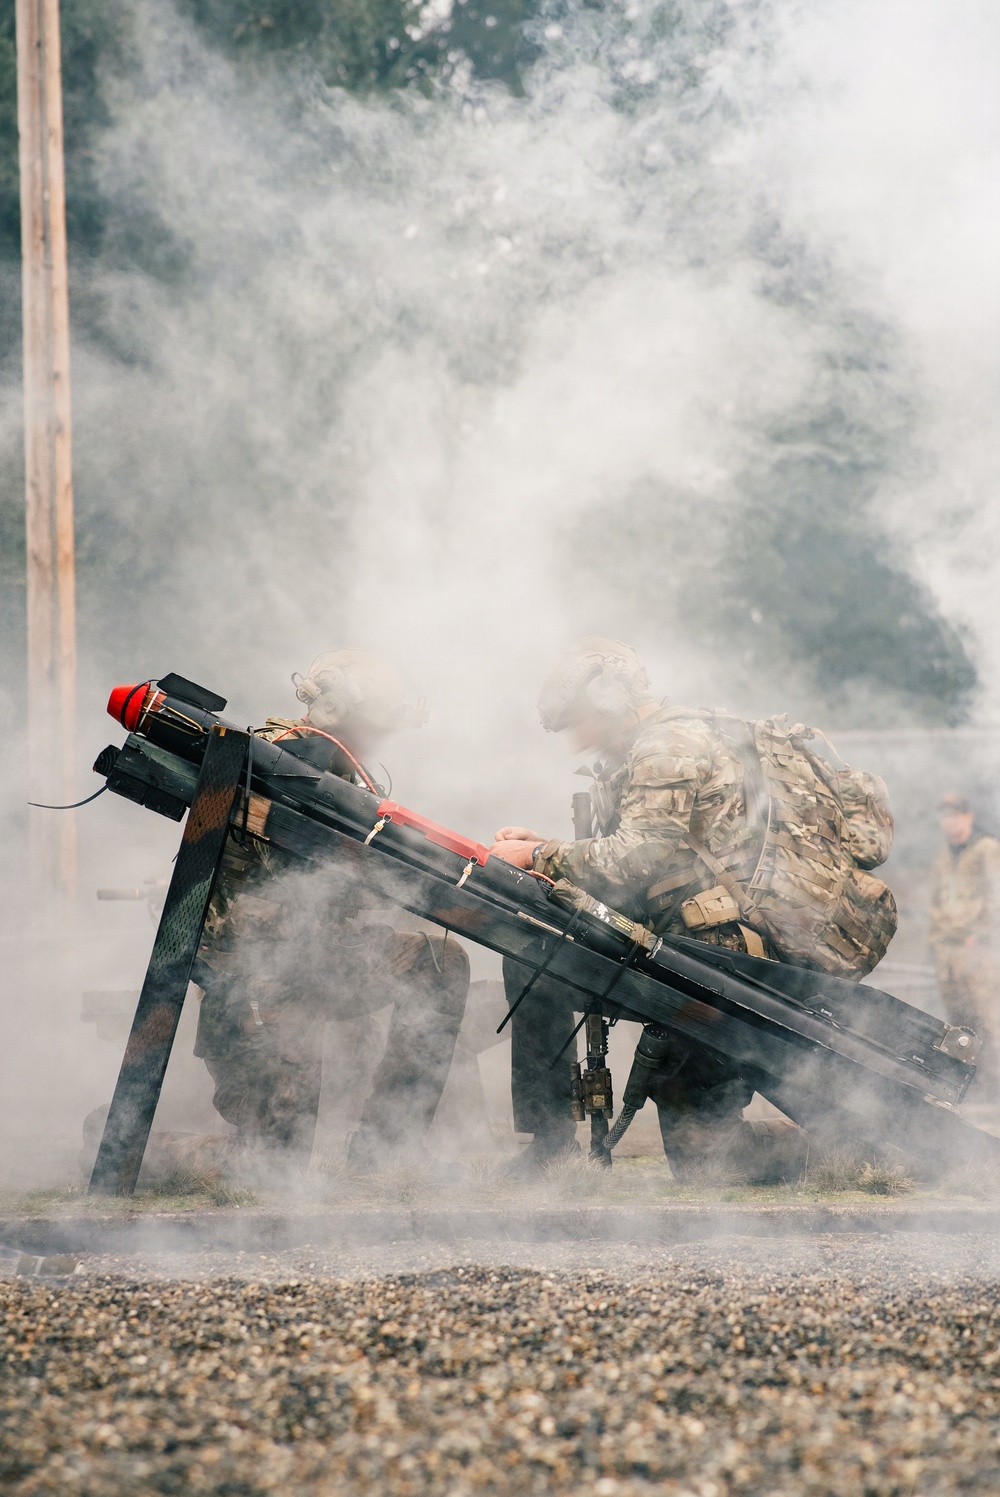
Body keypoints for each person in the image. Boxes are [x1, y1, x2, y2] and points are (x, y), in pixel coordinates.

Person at [489, 637, 894, 1180]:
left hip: (721, 952)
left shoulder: (667, 747)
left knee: (706, 1160)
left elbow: (642, 854)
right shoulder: (673, 738)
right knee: (702, 1150)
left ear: (610, 703)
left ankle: (853, 1150)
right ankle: (551, 1145)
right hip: (703, 948)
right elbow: (660, 858)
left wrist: (540, 854)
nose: (577, 742)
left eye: (581, 723)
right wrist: (548, 851)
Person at [192, 649, 470, 1176]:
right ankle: (153, 1152)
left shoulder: (336, 771)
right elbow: (294, 875)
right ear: (337, 710)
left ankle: (388, 1145)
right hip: (256, 976)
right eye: (374, 725)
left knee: (437, 962)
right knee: (273, 1165)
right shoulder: (280, 764)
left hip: (321, 959)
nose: (379, 740)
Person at [929, 793, 1000, 1102]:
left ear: (969, 816)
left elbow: (997, 897)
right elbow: (935, 901)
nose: (950, 821)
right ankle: (974, 1088)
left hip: (979, 951)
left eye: (956, 814)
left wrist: (981, 935)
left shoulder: (986, 850)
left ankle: (996, 1087)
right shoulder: (943, 856)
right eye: (945, 815)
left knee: (989, 1018)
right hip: (948, 953)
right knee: (960, 1023)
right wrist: (935, 940)